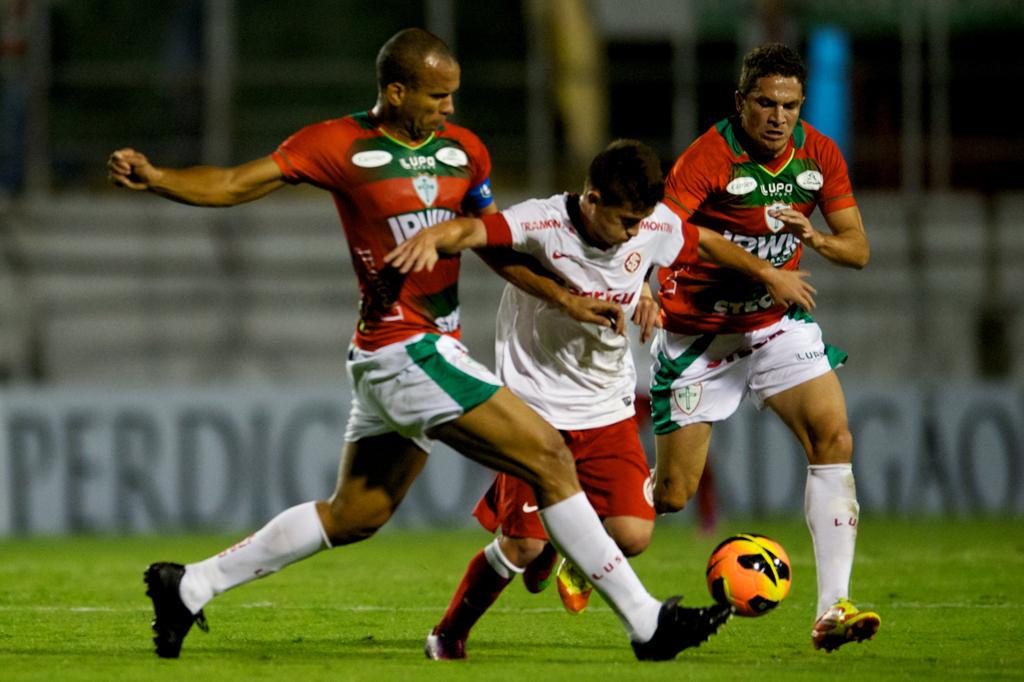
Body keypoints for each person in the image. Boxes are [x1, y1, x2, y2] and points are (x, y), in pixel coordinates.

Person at [106, 28, 730, 662]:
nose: (450, 108)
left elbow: (492, 244)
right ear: (396, 91)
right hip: (402, 346)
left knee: (355, 514)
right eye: (438, 95)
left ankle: (189, 585)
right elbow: (237, 182)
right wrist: (159, 177)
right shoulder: (336, 144)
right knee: (547, 455)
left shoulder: (467, 153)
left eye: (454, 95)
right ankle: (647, 624)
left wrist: (565, 298)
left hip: (421, 350)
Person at [384, 138, 817, 659]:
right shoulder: (544, 222)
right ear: (592, 199)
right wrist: (435, 236)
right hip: (533, 403)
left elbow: (700, 240)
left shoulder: (650, 226)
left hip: (604, 404)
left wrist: (767, 272)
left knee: (634, 534)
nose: (635, 232)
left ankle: (565, 551)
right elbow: (480, 231)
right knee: (522, 545)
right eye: (624, 220)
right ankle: (449, 632)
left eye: (641, 220)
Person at [648, 43, 880, 652]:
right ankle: (591, 528)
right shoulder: (708, 156)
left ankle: (833, 608)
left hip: (775, 325)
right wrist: (765, 268)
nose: (779, 117)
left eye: (791, 106)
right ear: (741, 102)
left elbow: (857, 249)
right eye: (766, 103)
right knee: (673, 495)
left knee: (833, 437)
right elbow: (668, 231)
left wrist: (816, 239)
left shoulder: (819, 153)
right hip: (699, 331)